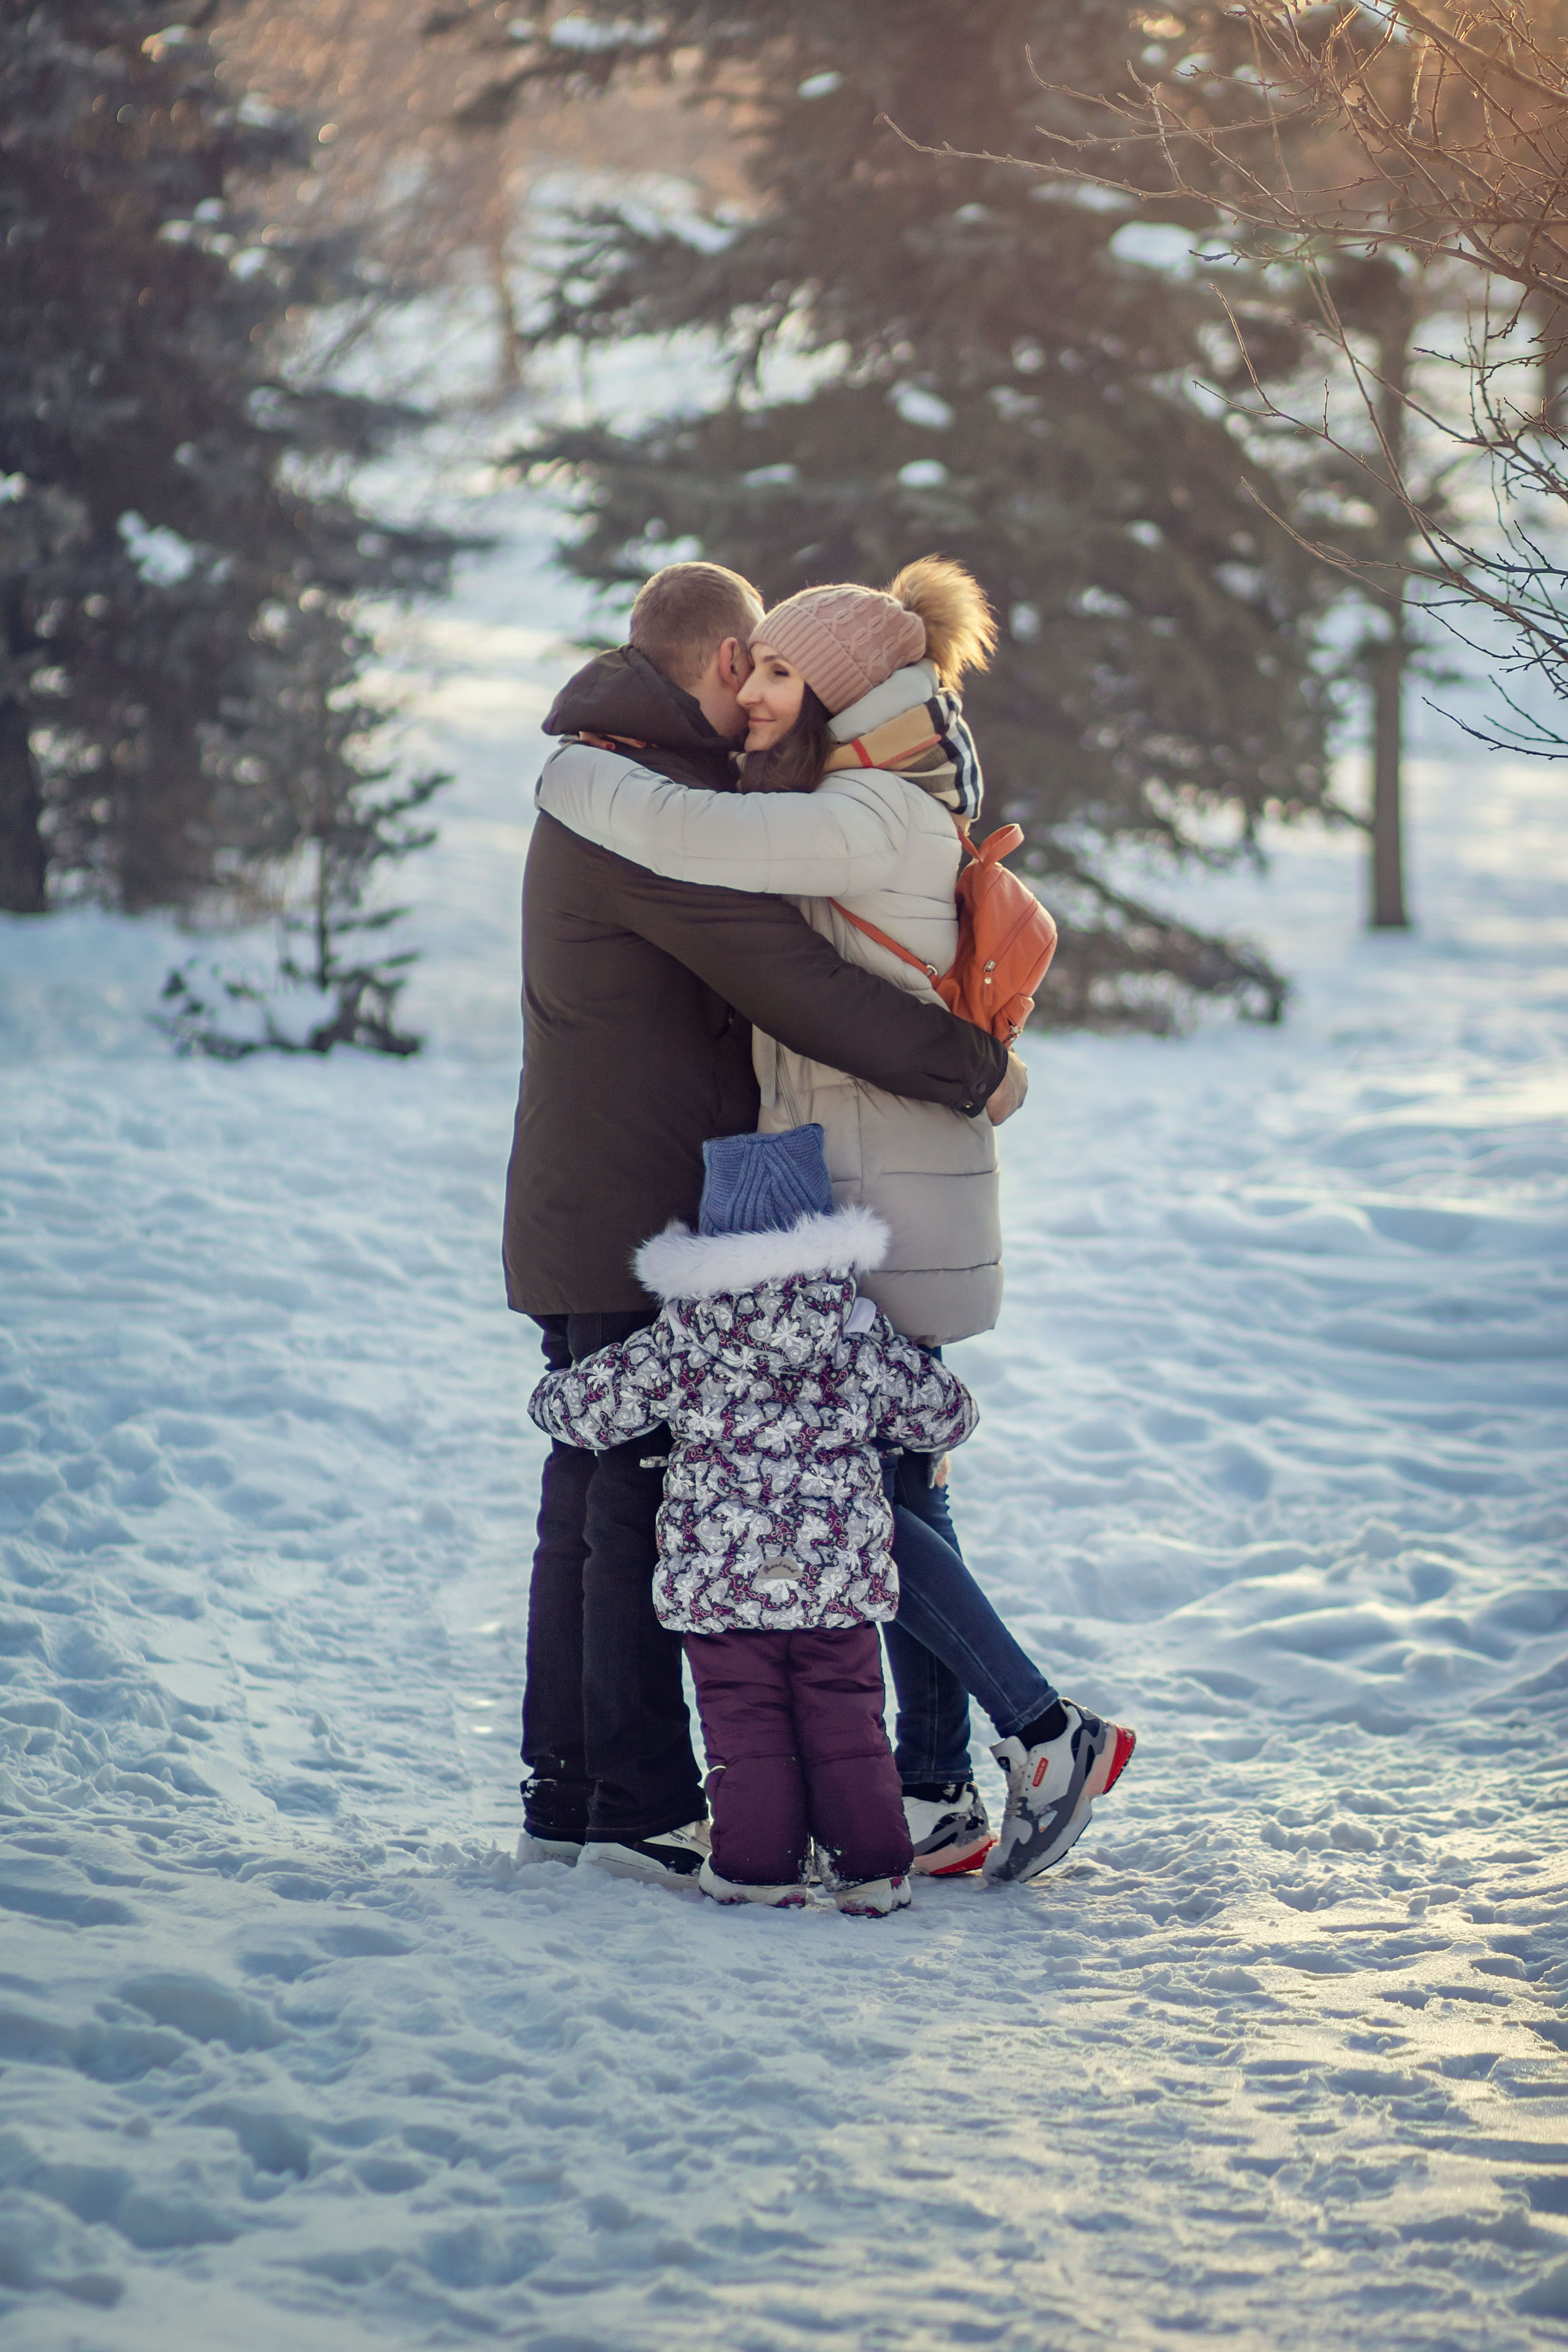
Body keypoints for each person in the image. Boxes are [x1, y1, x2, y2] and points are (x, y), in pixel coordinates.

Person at [535, 557, 1135, 1885]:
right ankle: (933, 1796)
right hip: (875, 1180)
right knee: (892, 1475)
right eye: (746, 664)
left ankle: (1040, 1732)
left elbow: (691, 841)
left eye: (779, 669)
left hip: (887, 1189)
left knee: (860, 1487)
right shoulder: (869, 792)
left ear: (841, 690)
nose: (751, 687)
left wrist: (568, 771)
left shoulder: (869, 810)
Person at [529, 1123, 978, 1917]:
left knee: (746, 1729)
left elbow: (582, 1410)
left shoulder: (685, 1339)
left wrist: (549, 1395)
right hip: (836, 1578)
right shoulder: (857, 1336)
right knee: (847, 1721)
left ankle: (757, 1868)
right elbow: (947, 1415)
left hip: (722, 1584)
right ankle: (871, 1869)